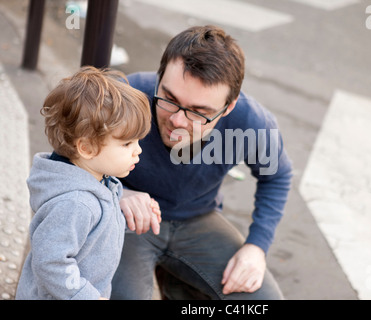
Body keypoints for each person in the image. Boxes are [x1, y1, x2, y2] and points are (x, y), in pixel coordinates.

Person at [111, 25, 293, 300]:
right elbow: (67, 163)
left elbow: (277, 177)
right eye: (169, 99)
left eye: (200, 112)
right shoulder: (126, 96)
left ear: (228, 107)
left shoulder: (251, 123)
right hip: (128, 219)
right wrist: (116, 192)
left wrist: (257, 246)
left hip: (198, 219)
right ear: (159, 77)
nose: (178, 121)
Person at [15, 66, 158, 300]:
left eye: (138, 141)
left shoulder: (102, 181)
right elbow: (51, 262)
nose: (138, 151)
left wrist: (124, 220)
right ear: (87, 147)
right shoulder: (75, 203)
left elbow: (94, 233)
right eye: (127, 144)